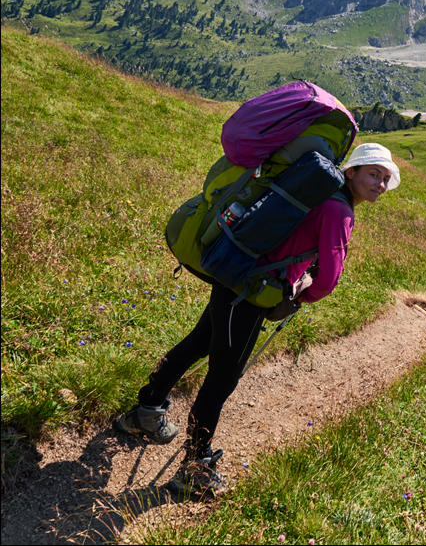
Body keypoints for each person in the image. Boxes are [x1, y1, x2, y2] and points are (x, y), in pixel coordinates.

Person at [115, 143, 400, 498]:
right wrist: (301, 294)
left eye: (386, 178)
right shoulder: (339, 210)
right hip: (251, 292)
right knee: (221, 380)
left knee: (199, 342)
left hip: (238, 271)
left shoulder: (320, 193)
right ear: (352, 171)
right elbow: (328, 279)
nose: (380, 183)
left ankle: (145, 411)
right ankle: (195, 468)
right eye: (374, 173)